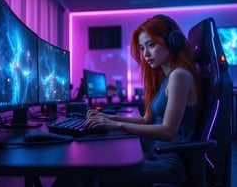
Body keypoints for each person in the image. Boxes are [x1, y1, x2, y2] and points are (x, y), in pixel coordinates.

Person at [52, 14, 201, 187]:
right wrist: (107, 119)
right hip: (156, 154)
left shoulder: (179, 76)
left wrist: (115, 125)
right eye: (142, 48)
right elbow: (147, 120)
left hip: (170, 165)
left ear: (172, 41)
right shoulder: (167, 77)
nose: (146, 54)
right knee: (83, 166)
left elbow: (168, 132)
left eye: (151, 45)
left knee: (84, 173)